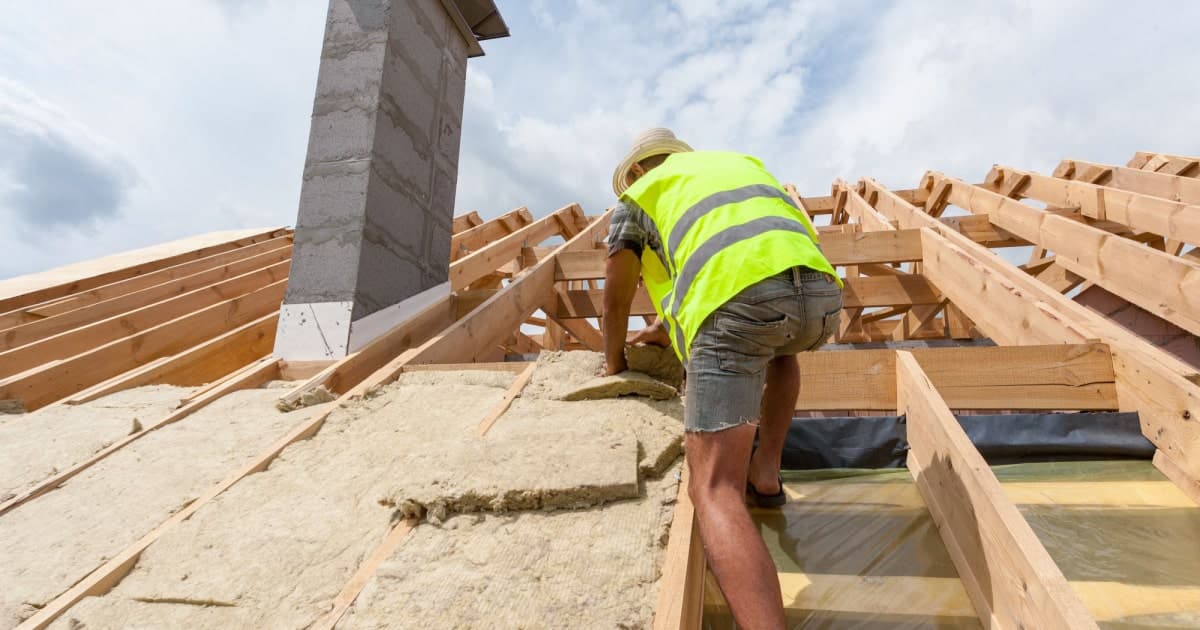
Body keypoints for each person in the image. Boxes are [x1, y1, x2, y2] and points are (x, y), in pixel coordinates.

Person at [602, 128, 843, 629]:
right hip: (820, 299)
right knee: (778, 349)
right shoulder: (736, 169)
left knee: (713, 490)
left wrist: (614, 365)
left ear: (639, 169)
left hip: (738, 302)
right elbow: (740, 263)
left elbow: (616, 296)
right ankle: (767, 473)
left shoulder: (640, 195)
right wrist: (667, 332)